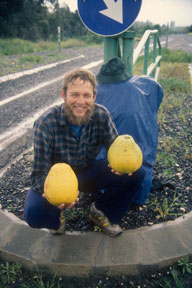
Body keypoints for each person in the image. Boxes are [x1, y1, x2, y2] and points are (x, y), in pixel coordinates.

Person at [24, 68, 145, 237]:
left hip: (88, 173)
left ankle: (101, 210)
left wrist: (123, 166)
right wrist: (52, 196)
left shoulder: (101, 115)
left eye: (86, 95)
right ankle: (55, 219)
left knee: (137, 173)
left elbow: (116, 149)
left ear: (94, 97)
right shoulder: (46, 123)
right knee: (33, 213)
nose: (81, 101)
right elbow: (39, 171)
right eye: (74, 94)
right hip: (58, 180)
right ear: (63, 95)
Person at [96, 57, 163, 205]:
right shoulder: (147, 85)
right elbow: (157, 97)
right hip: (141, 156)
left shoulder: (96, 93)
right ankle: (137, 197)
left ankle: (105, 195)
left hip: (105, 168)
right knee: (142, 164)